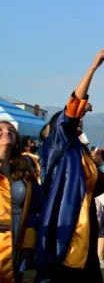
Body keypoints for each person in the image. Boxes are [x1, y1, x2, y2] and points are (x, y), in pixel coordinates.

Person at [36, 47, 104, 282]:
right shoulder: (57, 145)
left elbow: (91, 187)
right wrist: (93, 68)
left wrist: (97, 166)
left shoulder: (78, 152)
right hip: (65, 219)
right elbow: (72, 109)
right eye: (77, 118)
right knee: (66, 271)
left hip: (86, 220)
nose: (80, 119)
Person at [0, 121, 40, 282]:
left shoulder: (23, 166)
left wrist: (29, 240)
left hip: (17, 231)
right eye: (0, 130)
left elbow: (35, 205)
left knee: (14, 275)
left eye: (11, 130)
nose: (6, 132)